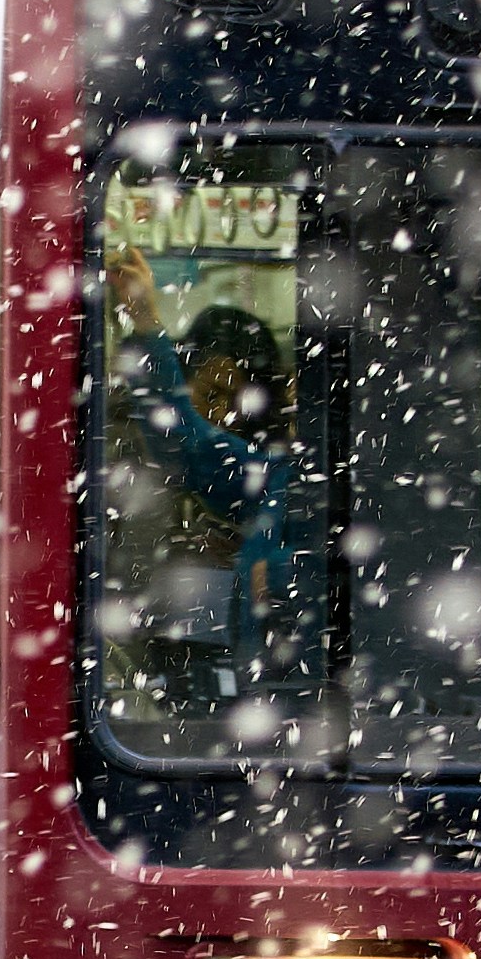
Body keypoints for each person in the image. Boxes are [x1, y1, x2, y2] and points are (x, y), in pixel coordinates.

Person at [105, 246, 315, 703]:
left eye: (234, 398)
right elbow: (187, 444)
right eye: (211, 391)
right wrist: (144, 321)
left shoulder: (313, 482)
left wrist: (276, 576)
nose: (221, 411)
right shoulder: (271, 475)